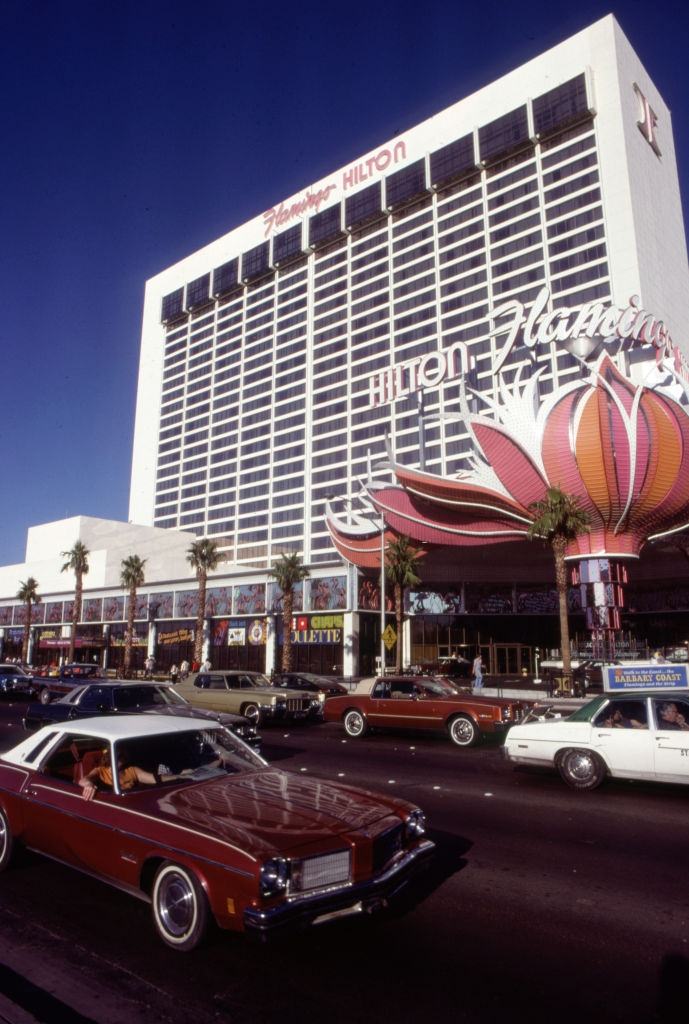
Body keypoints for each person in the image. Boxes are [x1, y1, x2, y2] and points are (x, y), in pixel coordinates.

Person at [79, 748, 158, 801]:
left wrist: (169, 777)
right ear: (109, 757)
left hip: (132, 802)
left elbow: (155, 779)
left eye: (123, 756)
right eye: (119, 756)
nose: (123, 759)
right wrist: (89, 785)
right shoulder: (100, 771)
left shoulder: (131, 769)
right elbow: (83, 780)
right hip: (110, 804)